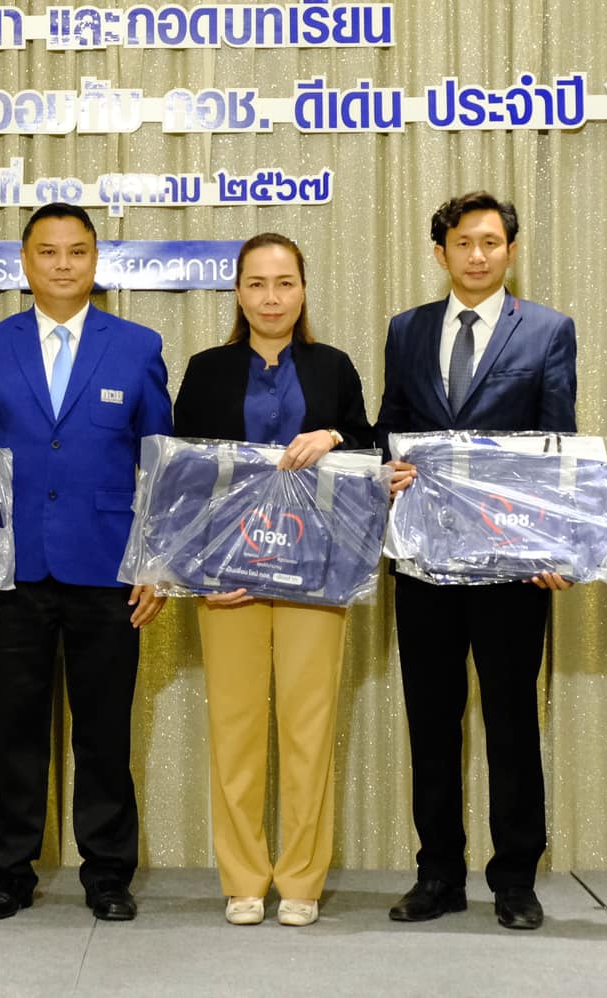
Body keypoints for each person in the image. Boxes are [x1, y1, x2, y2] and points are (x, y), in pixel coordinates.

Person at [0, 202, 173, 923]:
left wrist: (156, 561)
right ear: (24, 262)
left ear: (95, 260)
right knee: (16, 730)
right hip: (12, 570)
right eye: (47, 252)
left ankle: (107, 873)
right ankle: (7, 873)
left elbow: (160, 464)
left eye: (76, 251)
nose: (62, 264)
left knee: (104, 731)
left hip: (109, 572)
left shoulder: (137, 346)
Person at [375, 190, 577, 932]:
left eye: (492, 242)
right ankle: (438, 874)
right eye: (463, 243)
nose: (478, 255)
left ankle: (515, 879)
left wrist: (553, 545)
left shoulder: (548, 330)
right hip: (424, 562)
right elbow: (391, 426)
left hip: (511, 566)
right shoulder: (406, 330)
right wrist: (385, 467)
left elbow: (558, 445)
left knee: (512, 720)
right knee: (431, 721)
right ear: (441, 253)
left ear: (511, 251)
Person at [171, 233, 373, 929]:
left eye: (284, 283)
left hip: (315, 573)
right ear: (237, 292)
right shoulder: (205, 370)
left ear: (304, 290)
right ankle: (243, 878)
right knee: (235, 728)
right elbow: (182, 478)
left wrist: (335, 437)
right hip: (227, 574)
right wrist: (195, 573)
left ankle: (302, 880)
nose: (271, 297)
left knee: (309, 729)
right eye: (256, 283)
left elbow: (371, 449)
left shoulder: (333, 367)